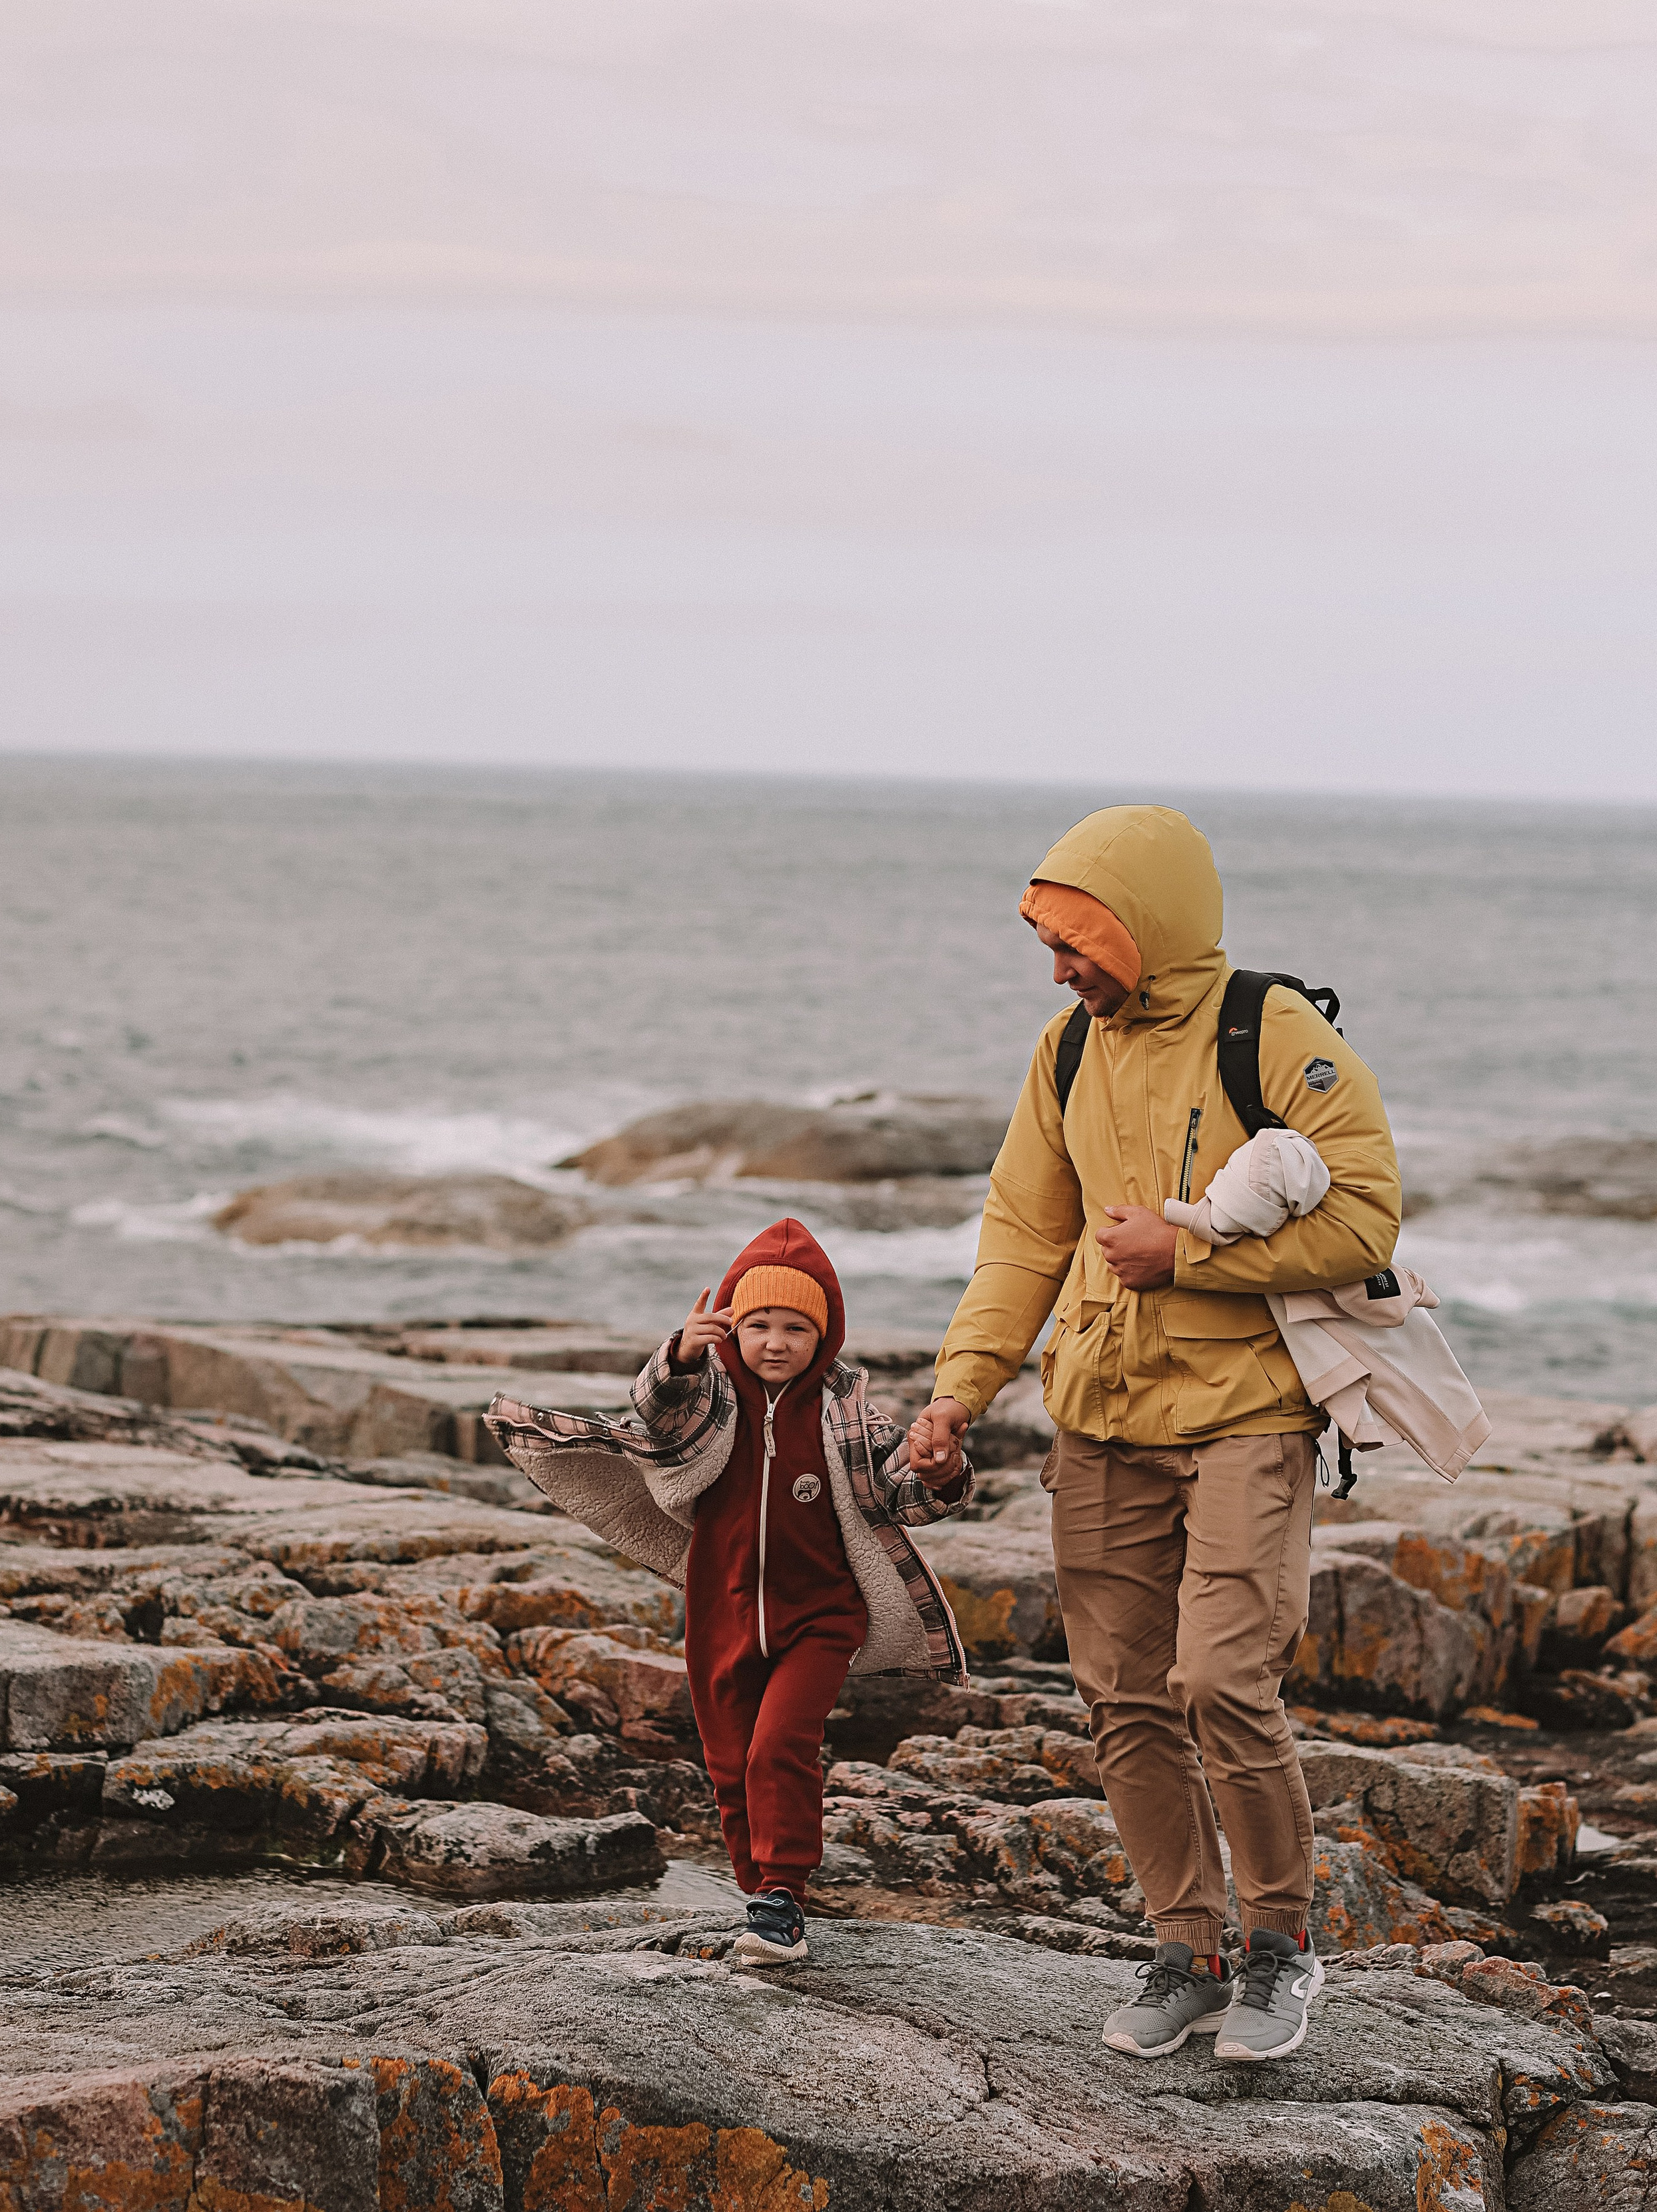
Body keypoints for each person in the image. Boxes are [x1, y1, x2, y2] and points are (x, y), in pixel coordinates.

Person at [908, 804, 1401, 2062]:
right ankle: (1187, 1948)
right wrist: (962, 1389)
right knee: (1123, 1696)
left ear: (1148, 924)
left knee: (1223, 1680)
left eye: (1079, 942)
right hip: (1098, 1411)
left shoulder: (1270, 1029)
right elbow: (1026, 1234)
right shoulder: (1067, 1049)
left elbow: (1367, 1228)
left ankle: (1283, 1948)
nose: (1060, 968)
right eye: (1050, 946)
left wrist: (1186, 1253)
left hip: (1247, 1411)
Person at [485, 1216, 973, 1966]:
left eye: (796, 1328)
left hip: (821, 1617)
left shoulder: (847, 1412)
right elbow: (650, 1412)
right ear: (732, 1329)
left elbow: (899, 1496)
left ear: (826, 1334)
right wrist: (679, 1352)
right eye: (758, 1325)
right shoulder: (708, 1399)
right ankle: (762, 1901)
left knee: (782, 1744)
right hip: (723, 1611)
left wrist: (940, 1475)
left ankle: (782, 1896)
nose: (776, 1343)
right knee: (729, 1761)